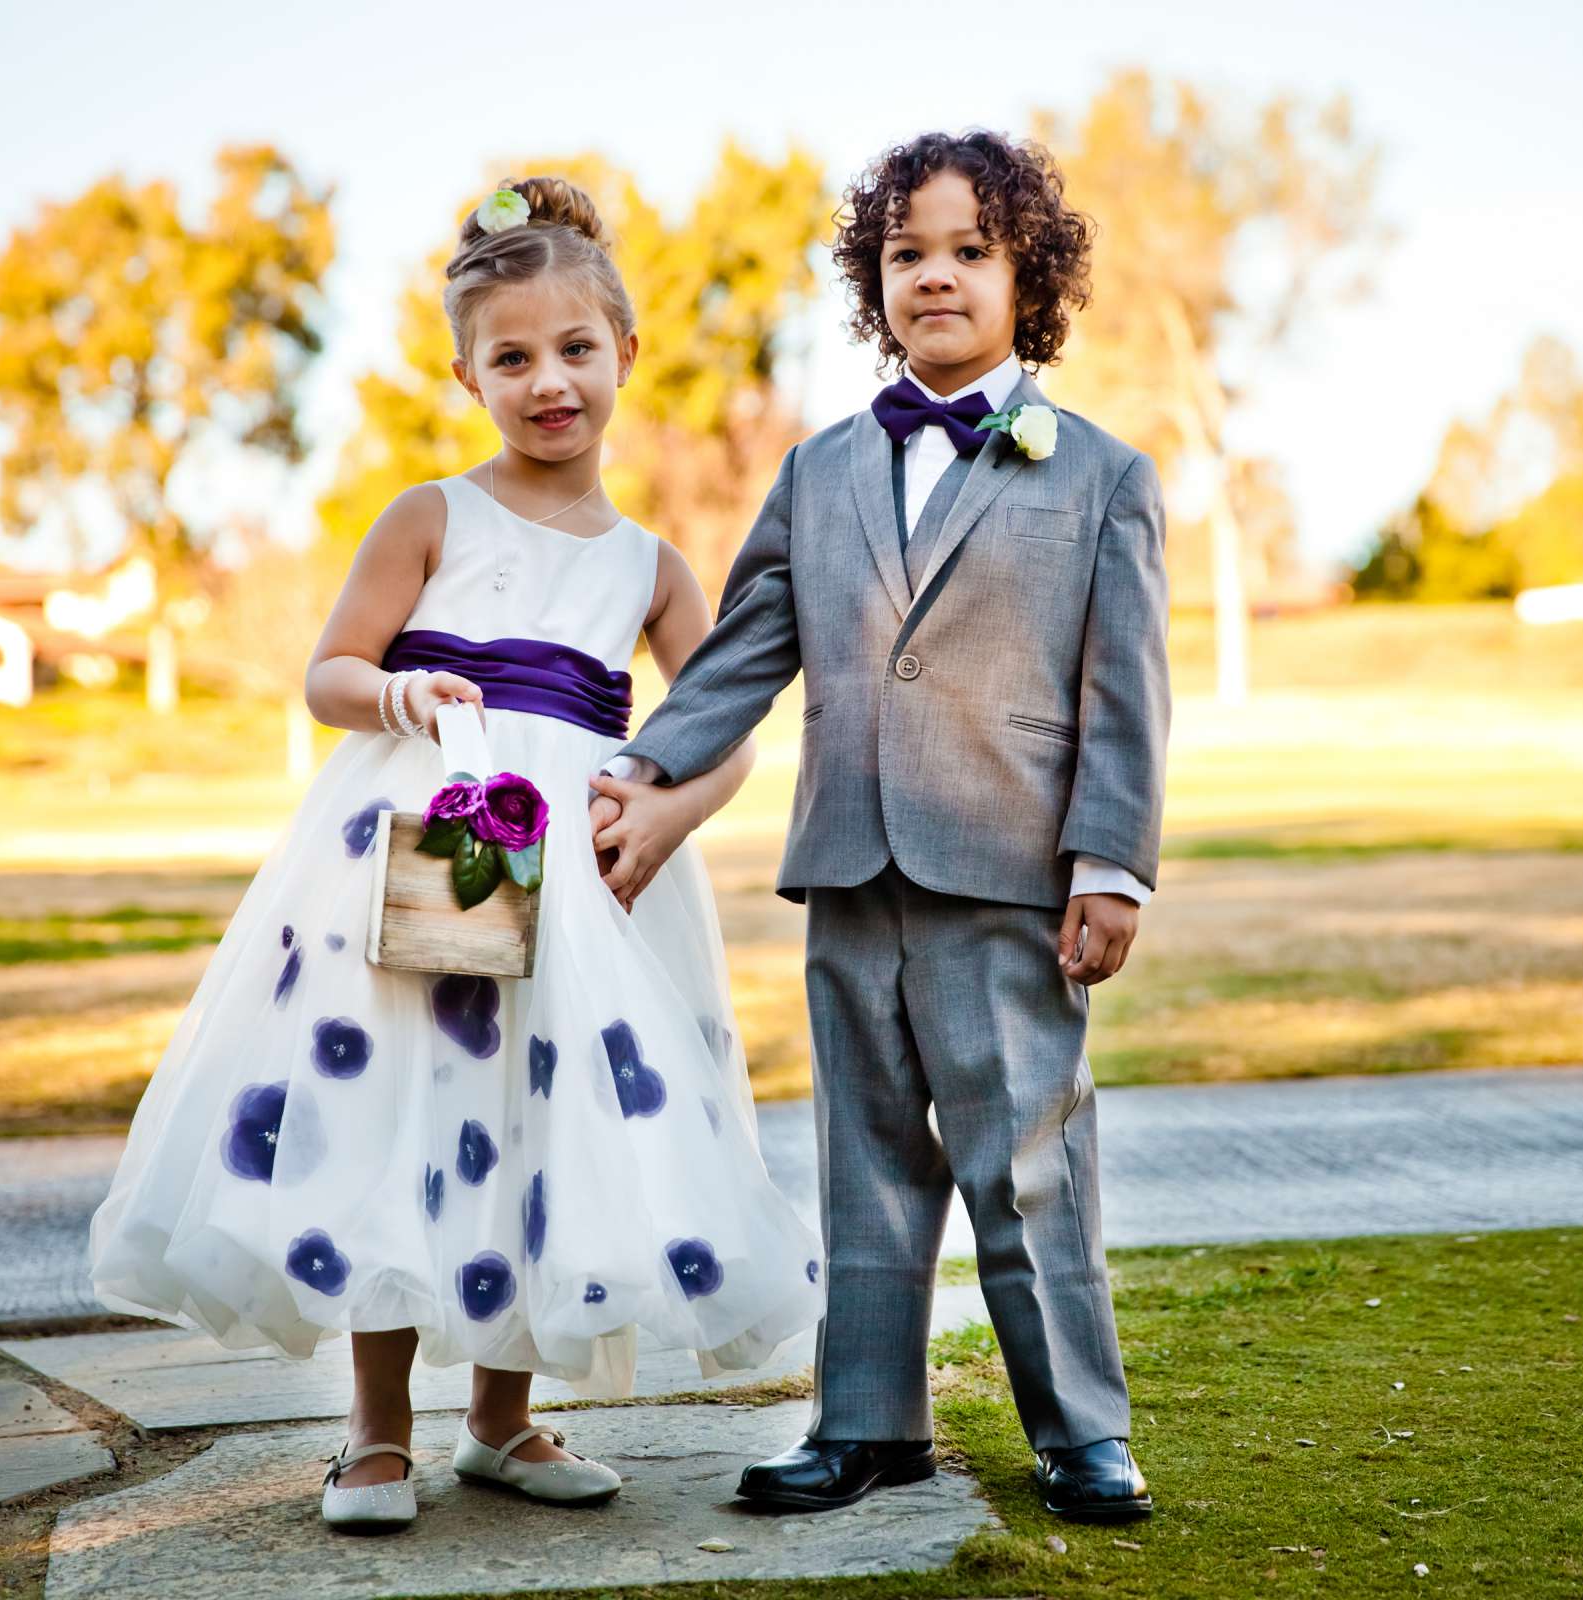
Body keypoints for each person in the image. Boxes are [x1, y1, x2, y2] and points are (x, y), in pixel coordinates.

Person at [86, 176, 824, 1534]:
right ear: (467, 372)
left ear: (624, 353)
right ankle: (374, 1434)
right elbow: (329, 674)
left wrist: (670, 812)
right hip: (419, 853)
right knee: (397, 1119)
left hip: (585, 886)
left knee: (536, 1129)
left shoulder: (652, 567)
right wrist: (399, 697)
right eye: (513, 358)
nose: (550, 381)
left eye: (575, 350)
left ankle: (499, 1418)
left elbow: (726, 725)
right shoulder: (430, 516)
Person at [589, 129, 1170, 1523]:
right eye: (908, 253)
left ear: (1028, 278)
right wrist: (648, 762)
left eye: (972, 251)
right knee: (864, 1164)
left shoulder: (1098, 474)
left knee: (1027, 1165)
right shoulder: (822, 468)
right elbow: (741, 650)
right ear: (874, 281)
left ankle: (1079, 1430)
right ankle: (869, 1425)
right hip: (850, 863)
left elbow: (1126, 691)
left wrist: (1112, 863)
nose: (938, 276)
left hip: (1009, 871)